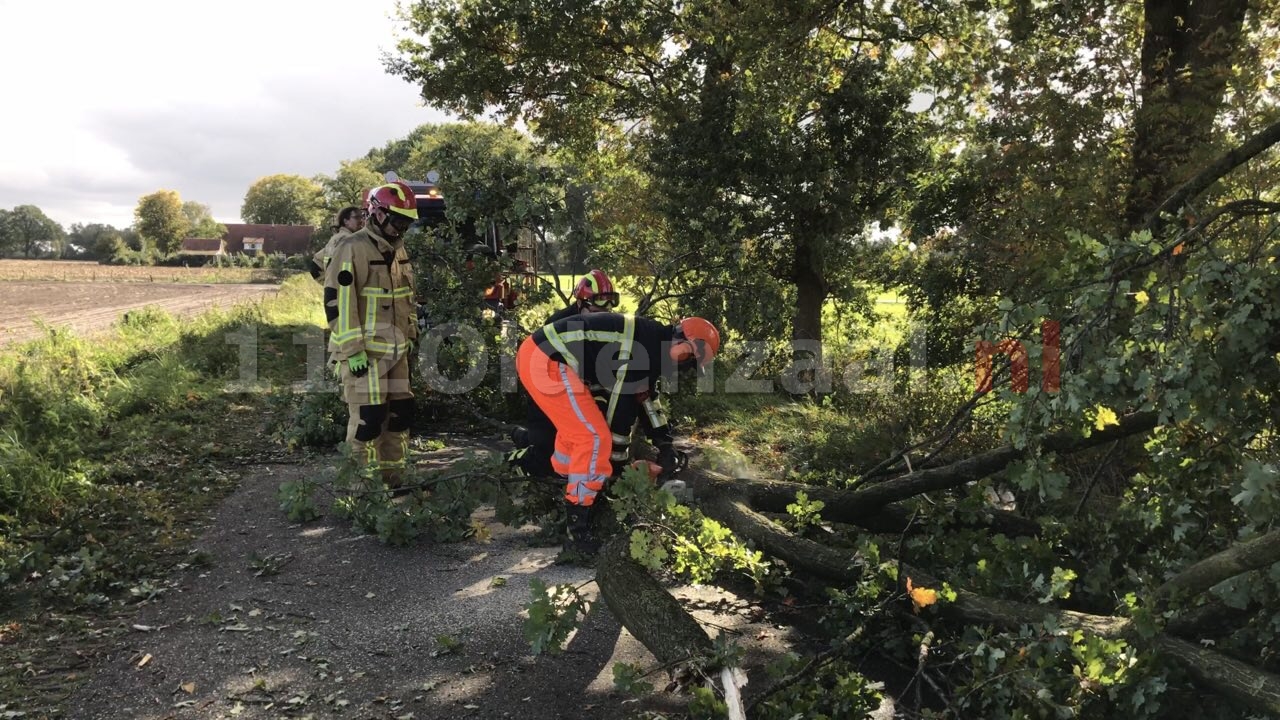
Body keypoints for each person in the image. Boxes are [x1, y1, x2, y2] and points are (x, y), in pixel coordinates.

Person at [516, 312, 720, 554]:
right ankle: (577, 533)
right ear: (679, 337)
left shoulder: (653, 344)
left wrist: (664, 442)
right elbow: (620, 413)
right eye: (686, 357)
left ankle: (566, 480)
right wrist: (618, 470)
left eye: (690, 364)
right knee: (593, 438)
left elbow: (645, 399)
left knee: (579, 436)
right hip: (546, 360)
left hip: (541, 357)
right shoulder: (645, 347)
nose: (683, 365)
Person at [322, 182, 419, 489]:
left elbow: (407, 296)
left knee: (400, 414)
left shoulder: (398, 248)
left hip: (396, 350)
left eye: (407, 222)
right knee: (369, 418)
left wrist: (412, 333)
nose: (401, 227)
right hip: (364, 354)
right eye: (397, 220)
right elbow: (338, 302)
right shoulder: (352, 248)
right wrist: (353, 350)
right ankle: (360, 488)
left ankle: (394, 479)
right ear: (376, 214)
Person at [507, 269, 623, 477]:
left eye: (608, 309)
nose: (602, 318)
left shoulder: (610, 326)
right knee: (546, 459)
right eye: (596, 311)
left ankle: (523, 436)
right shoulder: (559, 324)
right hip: (550, 390)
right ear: (580, 304)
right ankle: (514, 457)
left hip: (581, 391)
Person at [310, 206, 366, 280]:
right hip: (346, 289)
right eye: (356, 217)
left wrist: (329, 284)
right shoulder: (347, 239)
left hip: (336, 289)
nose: (361, 221)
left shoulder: (335, 239)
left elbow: (315, 266)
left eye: (362, 217)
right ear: (345, 221)